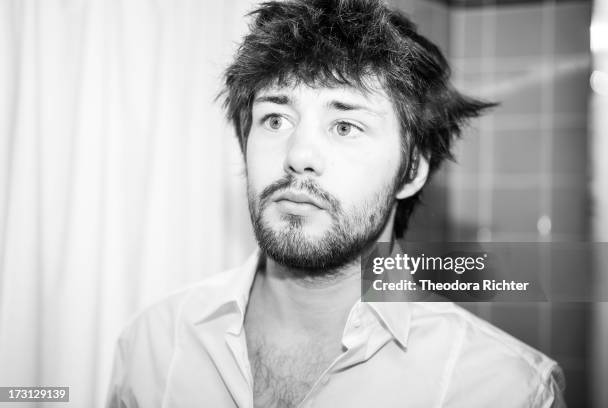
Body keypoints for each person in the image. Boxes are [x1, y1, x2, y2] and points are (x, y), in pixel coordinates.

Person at [106, 0, 565, 407]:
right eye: (275, 119)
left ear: (412, 171)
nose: (298, 156)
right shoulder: (154, 344)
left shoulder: (501, 388)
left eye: (345, 125)